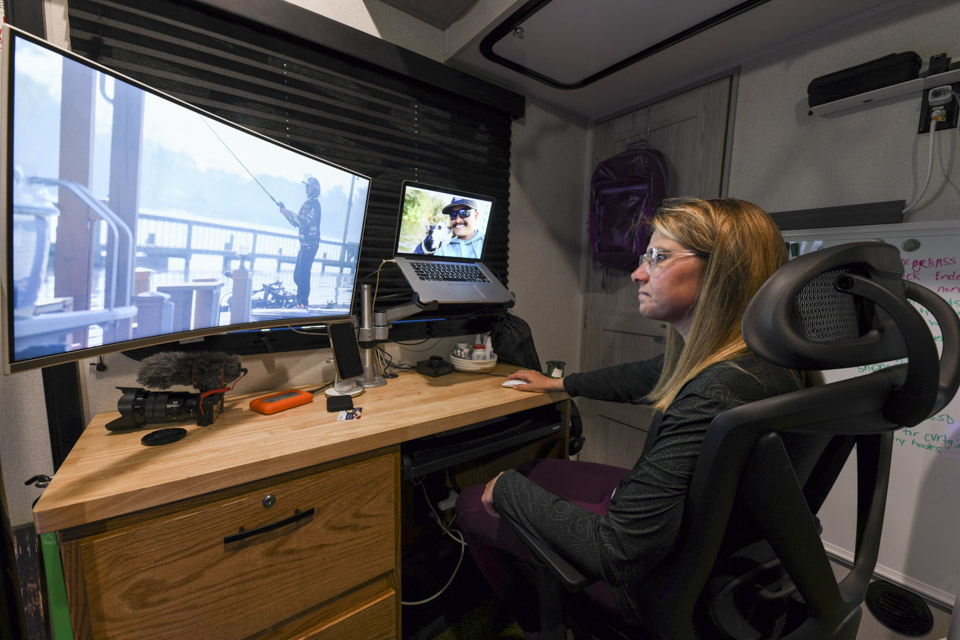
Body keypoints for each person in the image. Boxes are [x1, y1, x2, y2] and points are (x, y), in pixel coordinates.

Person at [455, 197, 822, 636]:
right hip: (718, 556)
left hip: (654, 580)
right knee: (538, 469)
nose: (637, 273)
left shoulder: (715, 391)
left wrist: (505, 488)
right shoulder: (765, 362)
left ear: (722, 272)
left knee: (474, 499)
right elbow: (645, 376)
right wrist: (561, 383)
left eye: (659, 257)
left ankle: (539, 623)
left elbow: (616, 552)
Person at [278, 176, 322, 307]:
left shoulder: (315, 205)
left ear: (314, 189)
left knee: (303, 273)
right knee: (297, 276)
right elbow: (296, 223)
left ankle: (302, 302)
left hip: (311, 245)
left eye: (308, 186)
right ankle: (300, 299)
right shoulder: (305, 205)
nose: (306, 188)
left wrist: (291, 213)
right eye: (306, 186)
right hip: (303, 245)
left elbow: (307, 221)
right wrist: (285, 213)